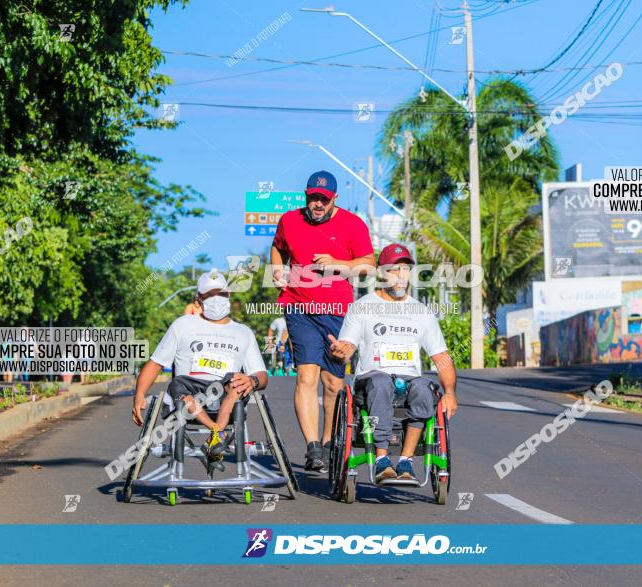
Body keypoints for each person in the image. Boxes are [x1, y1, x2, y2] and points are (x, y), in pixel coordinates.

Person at [271, 170, 375, 473]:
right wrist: (277, 271)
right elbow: (278, 248)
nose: (317, 204)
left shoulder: (353, 224)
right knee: (306, 377)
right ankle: (313, 447)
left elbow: (369, 266)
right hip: (298, 306)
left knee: (333, 383)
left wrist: (339, 264)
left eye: (323, 199)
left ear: (334, 199)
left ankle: (329, 440)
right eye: (312, 197)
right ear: (305, 196)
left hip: (338, 311)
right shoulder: (289, 221)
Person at [329, 243, 458, 483]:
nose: (400, 276)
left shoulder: (421, 312)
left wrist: (449, 392)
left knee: (424, 388)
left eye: (405, 269)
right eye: (394, 269)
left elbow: (441, 358)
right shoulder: (362, 307)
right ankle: (381, 460)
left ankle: (406, 461)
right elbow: (348, 346)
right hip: (371, 380)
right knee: (381, 383)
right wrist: (340, 351)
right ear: (381, 272)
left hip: (409, 381)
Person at [132, 270, 268, 460]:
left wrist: (252, 380)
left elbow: (261, 374)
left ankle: (216, 433)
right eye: (210, 295)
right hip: (189, 395)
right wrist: (139, 395)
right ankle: (217, 433)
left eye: (220, 294)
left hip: (226, 394)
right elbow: (155, 364)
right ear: (198, 300)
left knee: (237, 381)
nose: (216, 298)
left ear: (228, 295)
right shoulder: (182, 325)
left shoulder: (243, 332)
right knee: (177, 384)